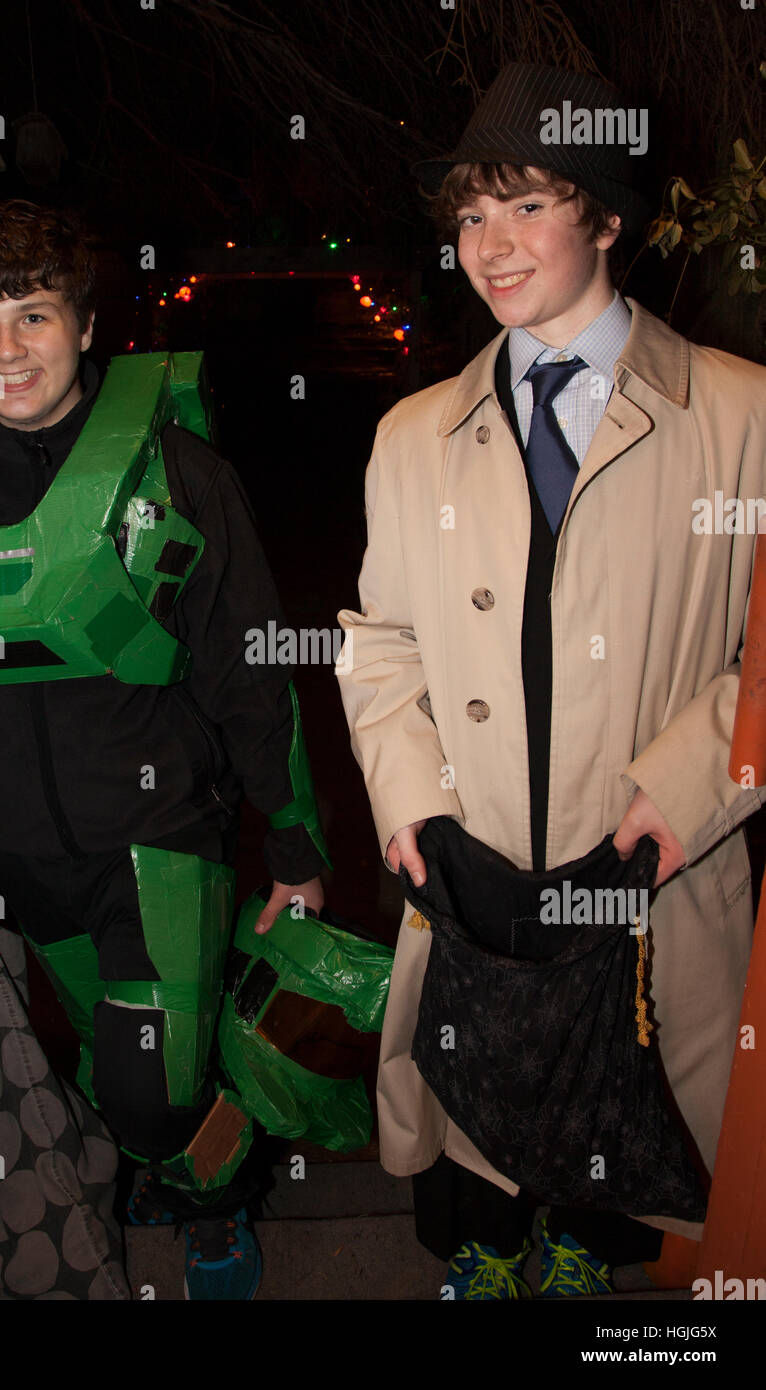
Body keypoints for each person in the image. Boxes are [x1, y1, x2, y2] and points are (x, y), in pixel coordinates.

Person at [0, 199, 328, 1301]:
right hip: (19, 856)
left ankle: (217, 1194)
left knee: (153, 1089)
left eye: (32, 315)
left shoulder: (180, 474)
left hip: (160, 841)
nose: (4, 351)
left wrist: (291, 837)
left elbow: (248, 668)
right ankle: (162, 1157)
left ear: (88, 325)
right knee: (113, 1070)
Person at [337, 63, 766, 1298]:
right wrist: (406, 795)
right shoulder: (412, 432)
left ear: (607, 216)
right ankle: (485, 1246)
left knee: (630, 1105)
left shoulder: (738, 417)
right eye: (471, 215)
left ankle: (588, 1249)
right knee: (473, 1091)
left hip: (651, 853)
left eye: (525, 205)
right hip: (467, 864)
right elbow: (379, 637)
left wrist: (689, 786)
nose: (490, 244)